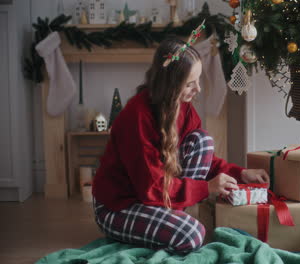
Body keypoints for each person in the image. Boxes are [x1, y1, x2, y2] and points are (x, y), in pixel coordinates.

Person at [92, 36, 269, 254]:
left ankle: (164, 222)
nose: (198, 89)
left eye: (198, 80)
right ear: (170, 84)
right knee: (193, 235)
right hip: (118, 206)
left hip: (153, 197)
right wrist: (208, 188)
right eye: (190, 83)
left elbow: (206, 159)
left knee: (202, 141)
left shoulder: (183, 108)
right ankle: (160, 227)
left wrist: (241, 173)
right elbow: (151, 188)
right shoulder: (136, 116)